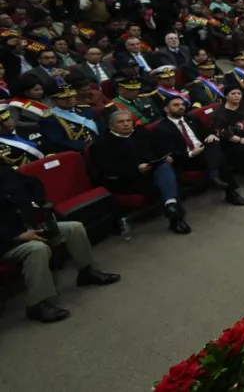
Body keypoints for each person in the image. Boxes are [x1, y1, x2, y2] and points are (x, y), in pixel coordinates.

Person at [0, 164, 119, 322]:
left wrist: (37, 202)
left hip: (28, 226)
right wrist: (18, 236)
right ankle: (37, 305)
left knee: (74, 228)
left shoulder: (4, 170)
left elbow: (34, 183)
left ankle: (87, 272)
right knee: (37, 249)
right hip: (6, 241)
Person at [92, 110, 191, 233]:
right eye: (121, 122)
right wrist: (136, 168)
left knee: (165, 167)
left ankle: (172, 208)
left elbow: (159, 147)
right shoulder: (102, 142)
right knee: (166, 182)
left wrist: (165, 155)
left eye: (128, 121)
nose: (126, 124)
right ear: (111, 125)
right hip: (127, 178)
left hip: (152, 169)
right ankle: (175, 215)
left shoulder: (141, 132)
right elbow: (105, 168)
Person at [155, 96, 244, 206]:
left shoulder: (191, 118)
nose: (181, 107)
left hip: (203, 151)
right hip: (186, 158)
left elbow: (207, 131)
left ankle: (215, 178)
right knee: (219, 157)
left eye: (182, 104)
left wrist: (211, 135)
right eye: (176, 105)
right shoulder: (162, 128)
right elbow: (168, 152)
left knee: (214, 143)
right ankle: (229, 191)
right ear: (166, 109)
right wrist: (190, 153)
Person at [38, 84, 101, 152]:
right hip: (81, 152)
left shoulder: (86, 109)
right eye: (64, 98)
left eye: (72, 96)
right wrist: (88, 147)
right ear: (53, 99)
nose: (70, 99)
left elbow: (102, 128)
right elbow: (59, 142)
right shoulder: (49, 119)